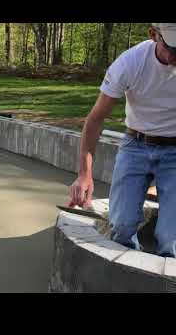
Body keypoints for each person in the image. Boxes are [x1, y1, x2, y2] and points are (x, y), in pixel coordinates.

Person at [68, 23, 176, 257]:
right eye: (172, 48)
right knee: (122, 227)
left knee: (171, 239)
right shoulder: (131, 63)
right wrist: (85, 174)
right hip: (135, 145)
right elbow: (95, 119)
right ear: (153, 34)